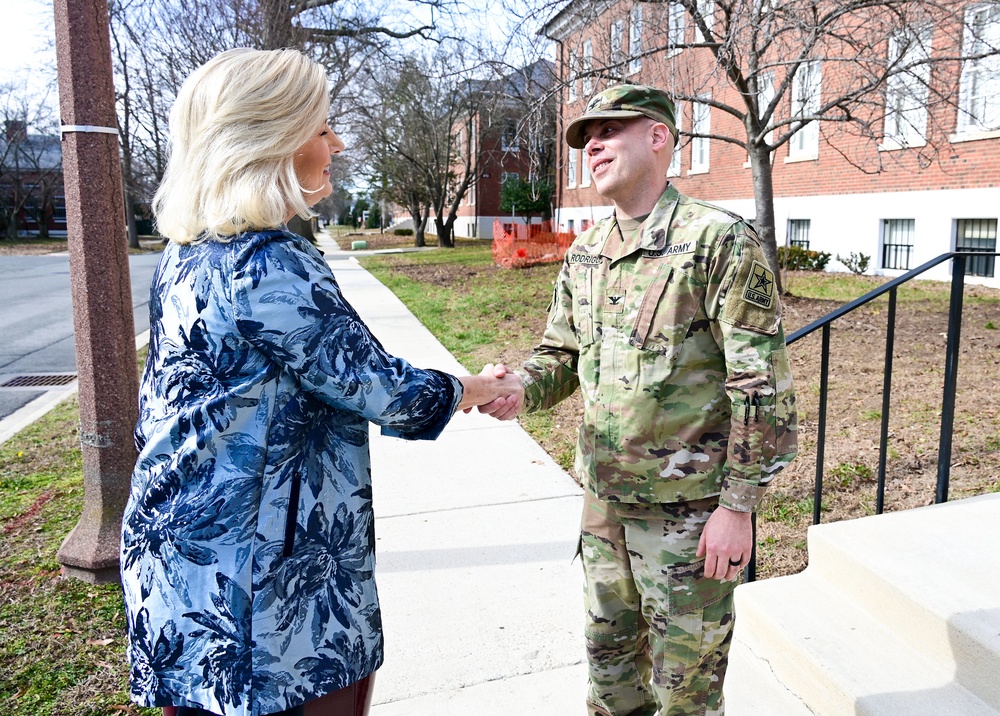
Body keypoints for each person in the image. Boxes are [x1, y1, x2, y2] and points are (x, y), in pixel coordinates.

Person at [120, 48, 520, 716]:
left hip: (183, 569)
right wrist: (478, 386)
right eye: (321, 126)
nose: (336, 141)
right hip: (258, 601)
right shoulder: (269, 263)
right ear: (269, 139)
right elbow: (389, 391)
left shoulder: (188, 256)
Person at [480, 84, 798, 715]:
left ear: (657, 137)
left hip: (688, 515)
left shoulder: (718, 241)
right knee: (610, 678)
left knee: (687, 691)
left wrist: (738, 508)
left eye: (608, 131)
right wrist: (516, 387)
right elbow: (563, 356)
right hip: (604, 506)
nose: (591, 146)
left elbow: (762, 388)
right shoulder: (588, 253)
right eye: (584, 139)